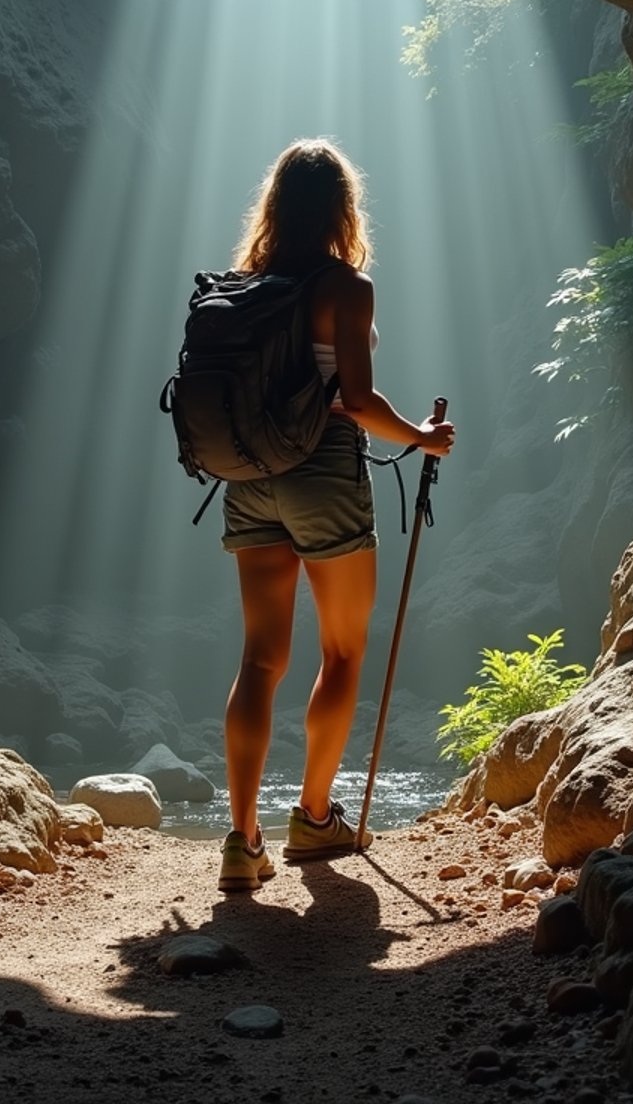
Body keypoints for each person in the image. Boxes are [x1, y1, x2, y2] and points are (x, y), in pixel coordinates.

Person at [217, 137, 455, 892]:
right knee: (342, 652)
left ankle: (241, 841)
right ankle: (315, 818)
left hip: (249, 476)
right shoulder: (346, 289)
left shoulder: (241, 286)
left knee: (260, 659)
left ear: (276, 206)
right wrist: (421, 437)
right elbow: (355, 400)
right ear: (342, 208)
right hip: (322, 475)